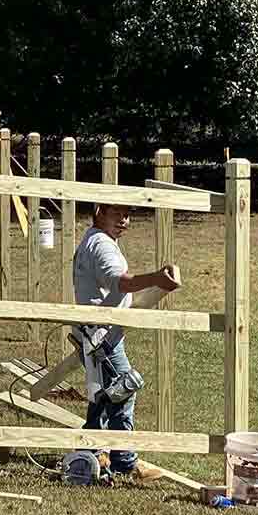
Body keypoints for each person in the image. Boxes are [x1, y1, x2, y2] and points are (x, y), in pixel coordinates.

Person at [71, 203, 181, 480]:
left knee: (103, 395)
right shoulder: (103, 245)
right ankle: (124, 462)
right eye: (116, 213)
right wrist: (156, 278)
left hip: (95, 333)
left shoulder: (93, 240)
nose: (124, 220)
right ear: (99, 212)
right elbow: (121, 282)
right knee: (124, 388)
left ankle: (89, 453)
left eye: (127, 215)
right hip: (101, 335)